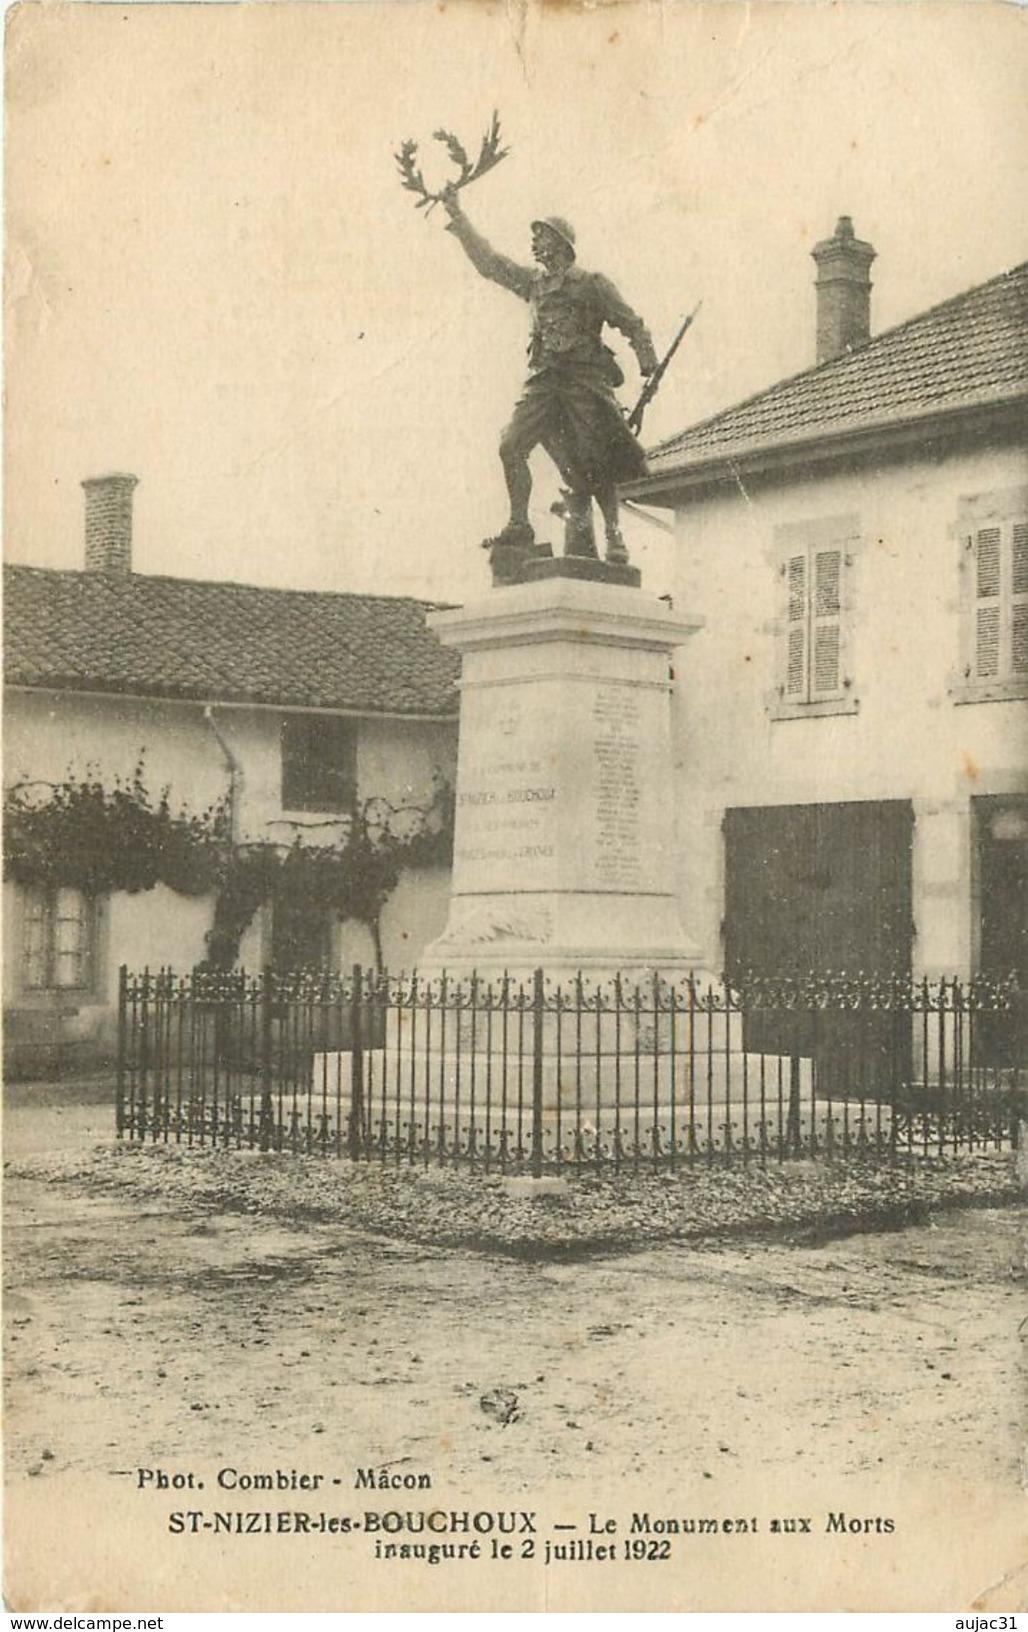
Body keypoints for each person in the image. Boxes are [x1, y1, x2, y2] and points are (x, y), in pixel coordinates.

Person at [441, 187, 657, 565]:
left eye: (539, 237)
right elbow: (491, 263)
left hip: (584, 380)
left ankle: (613, 533)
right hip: (544, 380)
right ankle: (519, 524)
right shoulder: (533, 284)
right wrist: (460, 221)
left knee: (596, 457)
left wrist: (647, 360)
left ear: (559, 242)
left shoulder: (592, 284)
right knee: (510, 445)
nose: (534, 244)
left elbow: (631, 322)